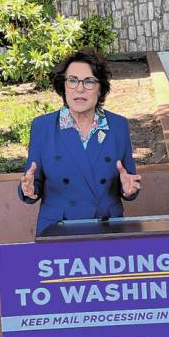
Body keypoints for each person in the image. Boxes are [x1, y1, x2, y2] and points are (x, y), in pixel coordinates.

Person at [18, 48, 141, 235]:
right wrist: (28, 189)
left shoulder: (118, 125)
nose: (80, 88)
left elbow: (129, 180)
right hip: (59, 229)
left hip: (108, 228)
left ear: (100, 89)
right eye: (72, 81)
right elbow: (34, 179)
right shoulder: (43, 126)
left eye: (89, 81)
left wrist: (129, 190)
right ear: (63, 86)